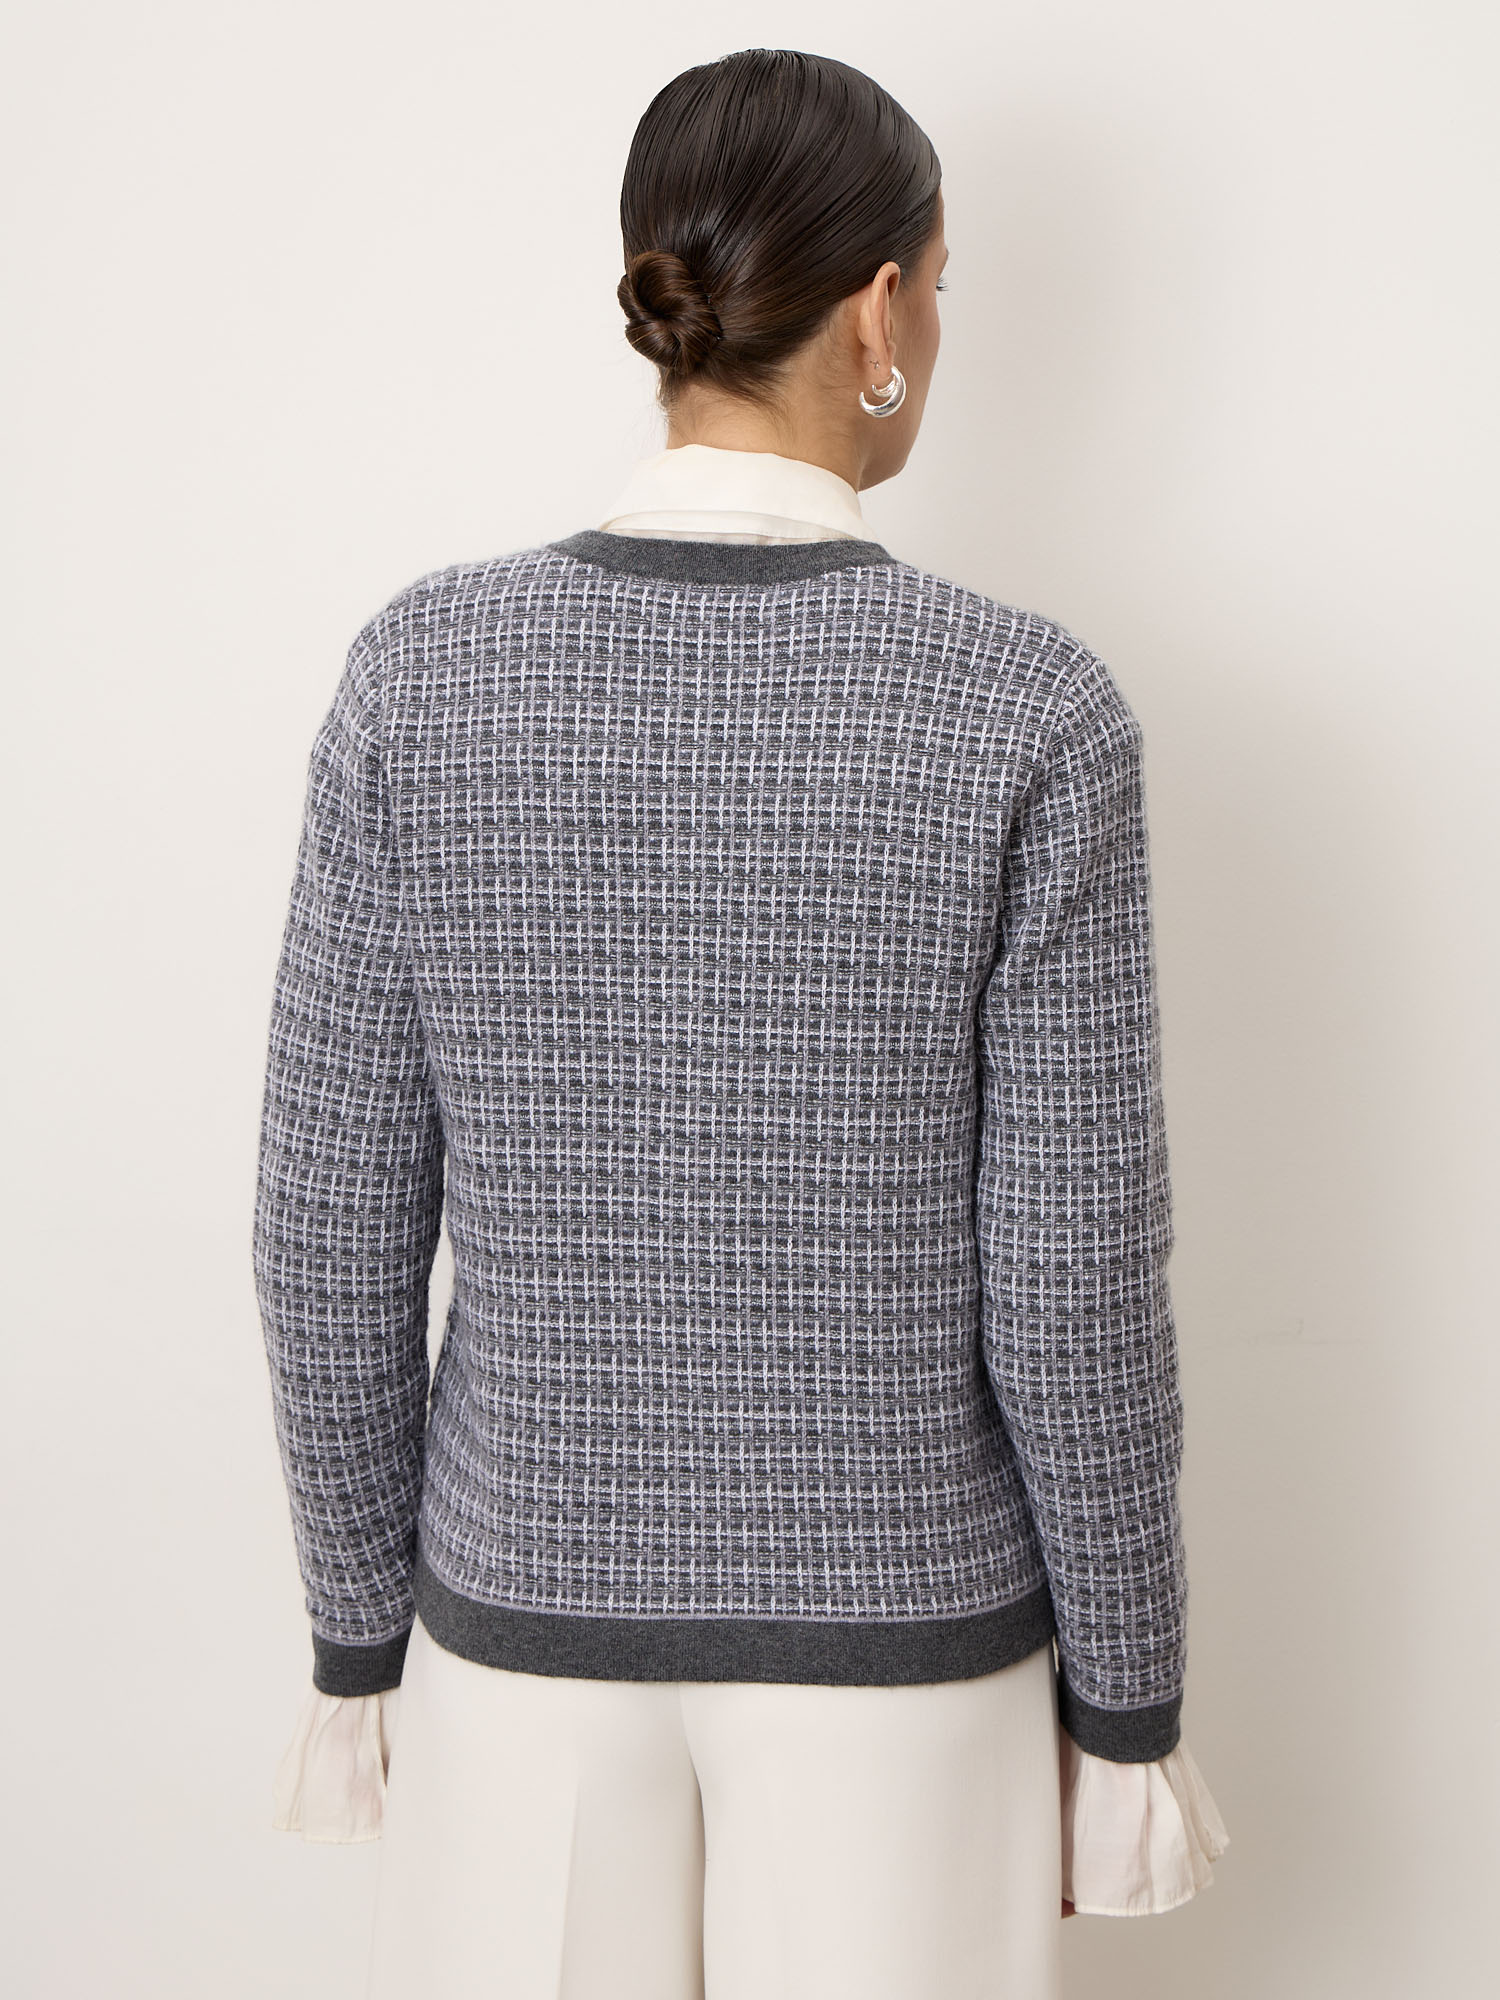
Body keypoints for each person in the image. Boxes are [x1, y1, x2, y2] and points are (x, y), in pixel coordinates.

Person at [253, 46, 1229, 2000]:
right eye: (940, 289)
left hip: (514, 1635)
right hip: (905, 1658)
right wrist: (1128, 1703)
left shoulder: (421, 677)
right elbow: (1071, 1287)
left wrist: (362, 1643)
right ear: (880, 306)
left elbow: (327, 1227)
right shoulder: (1027, 711)